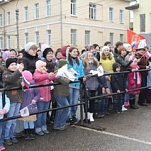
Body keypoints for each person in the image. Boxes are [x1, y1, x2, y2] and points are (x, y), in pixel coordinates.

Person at [2, 58, 24, 145]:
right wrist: (19, 71)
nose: (14, 66)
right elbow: (11, 80)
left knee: (14, 119)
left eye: (15, 64)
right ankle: (6, 137)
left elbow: (18, 82)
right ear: (8, 66)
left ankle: (12, 135)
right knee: (9, 120)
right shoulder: (5, 74)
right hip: (10, 99)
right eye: (12, 65)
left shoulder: (18, 74)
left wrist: (22, 84)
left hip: (18, 98)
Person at [33, 60, 57, 136]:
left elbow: (52, 78)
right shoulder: (36, 73)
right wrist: (47, 75)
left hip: (47, 97)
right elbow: (38, 78)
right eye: (42, 66)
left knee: (44, 113)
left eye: (44, 66)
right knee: (39, 113)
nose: (43, 68)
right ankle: (38, 127)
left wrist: (55, 74)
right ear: (37, 67)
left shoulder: (46, 73)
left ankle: (44, 126)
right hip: (40, 97)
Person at [20, 70, 40, 140]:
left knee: (31, 120)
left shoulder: (33, 85)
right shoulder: (21, 86)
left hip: (31, 105)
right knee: (25, 120)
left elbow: (38, 94)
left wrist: (34, 99)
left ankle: (31, 133)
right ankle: (26, 133)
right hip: (24, 106)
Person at [67, 47, 84, 125]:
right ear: (70, 52)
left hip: (77, 84)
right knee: (70, 101)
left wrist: (81, 77)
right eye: (74, 52)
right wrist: (77, 77)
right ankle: (69, 117)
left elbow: (81, 71)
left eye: (76, 52)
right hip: (70, 84)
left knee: (75, 102)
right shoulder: (67, 62)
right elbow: (68, 73)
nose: (75, 53)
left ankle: (73, 115)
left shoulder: (79, 61)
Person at [53, 59, 70, 130]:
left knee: (61, 109)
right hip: (59, 92)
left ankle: (60, 123)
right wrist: (67, 78)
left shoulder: (63, 72)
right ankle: (59, 124)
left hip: (63, 92)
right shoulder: (58, 73)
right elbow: (66, 81)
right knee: (65, 107)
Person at [83, 51, 99, 122]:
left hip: (94, 83)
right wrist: (89, 74)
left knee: (92, 99)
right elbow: (83, 73)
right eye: (89, 56)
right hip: (86, 83)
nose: (90, 57)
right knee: (85, 100)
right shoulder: (84, 64)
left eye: (91, 55)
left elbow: (99, 71)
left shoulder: (96, 63)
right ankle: (86, 114)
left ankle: (91, 114)